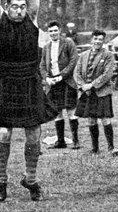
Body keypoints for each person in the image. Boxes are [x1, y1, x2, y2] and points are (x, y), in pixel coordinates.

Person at [0, 0, 56, 203]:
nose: (19, 11)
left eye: (22, 7)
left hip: (29, 80)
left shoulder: (32, 18)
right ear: (7, 7)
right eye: (14, 7)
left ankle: (31, 179)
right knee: (3, 134)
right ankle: (1, 181)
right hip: (4, 81)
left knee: (33, 134)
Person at [74, 30, 116, 154]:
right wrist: (82, 86)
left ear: (103, 41)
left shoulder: (108, 55)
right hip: (87, 93)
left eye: (100, 39)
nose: (97, 41)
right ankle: (95, 148)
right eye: (96, 39)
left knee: (105, 119)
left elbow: (107, 74)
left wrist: (91, 85)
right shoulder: (83, 55)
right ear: (91, 40)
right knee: (91, 119)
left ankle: (111, 147)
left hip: (102, 92)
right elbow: (76, 73)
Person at [40, 21, 80, 149]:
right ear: (48, 33)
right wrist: (47, 78)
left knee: (71, 111)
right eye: (51, 31)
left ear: (60, 31)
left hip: (67, 82)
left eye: (55, 31)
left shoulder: (68, 43)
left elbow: (74, 61)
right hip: (53, 84)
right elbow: (42, 65)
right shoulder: (46, 47)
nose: (53, 33)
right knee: (57, 112)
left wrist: (61, 76)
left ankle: (76, 141)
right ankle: (61, 141)